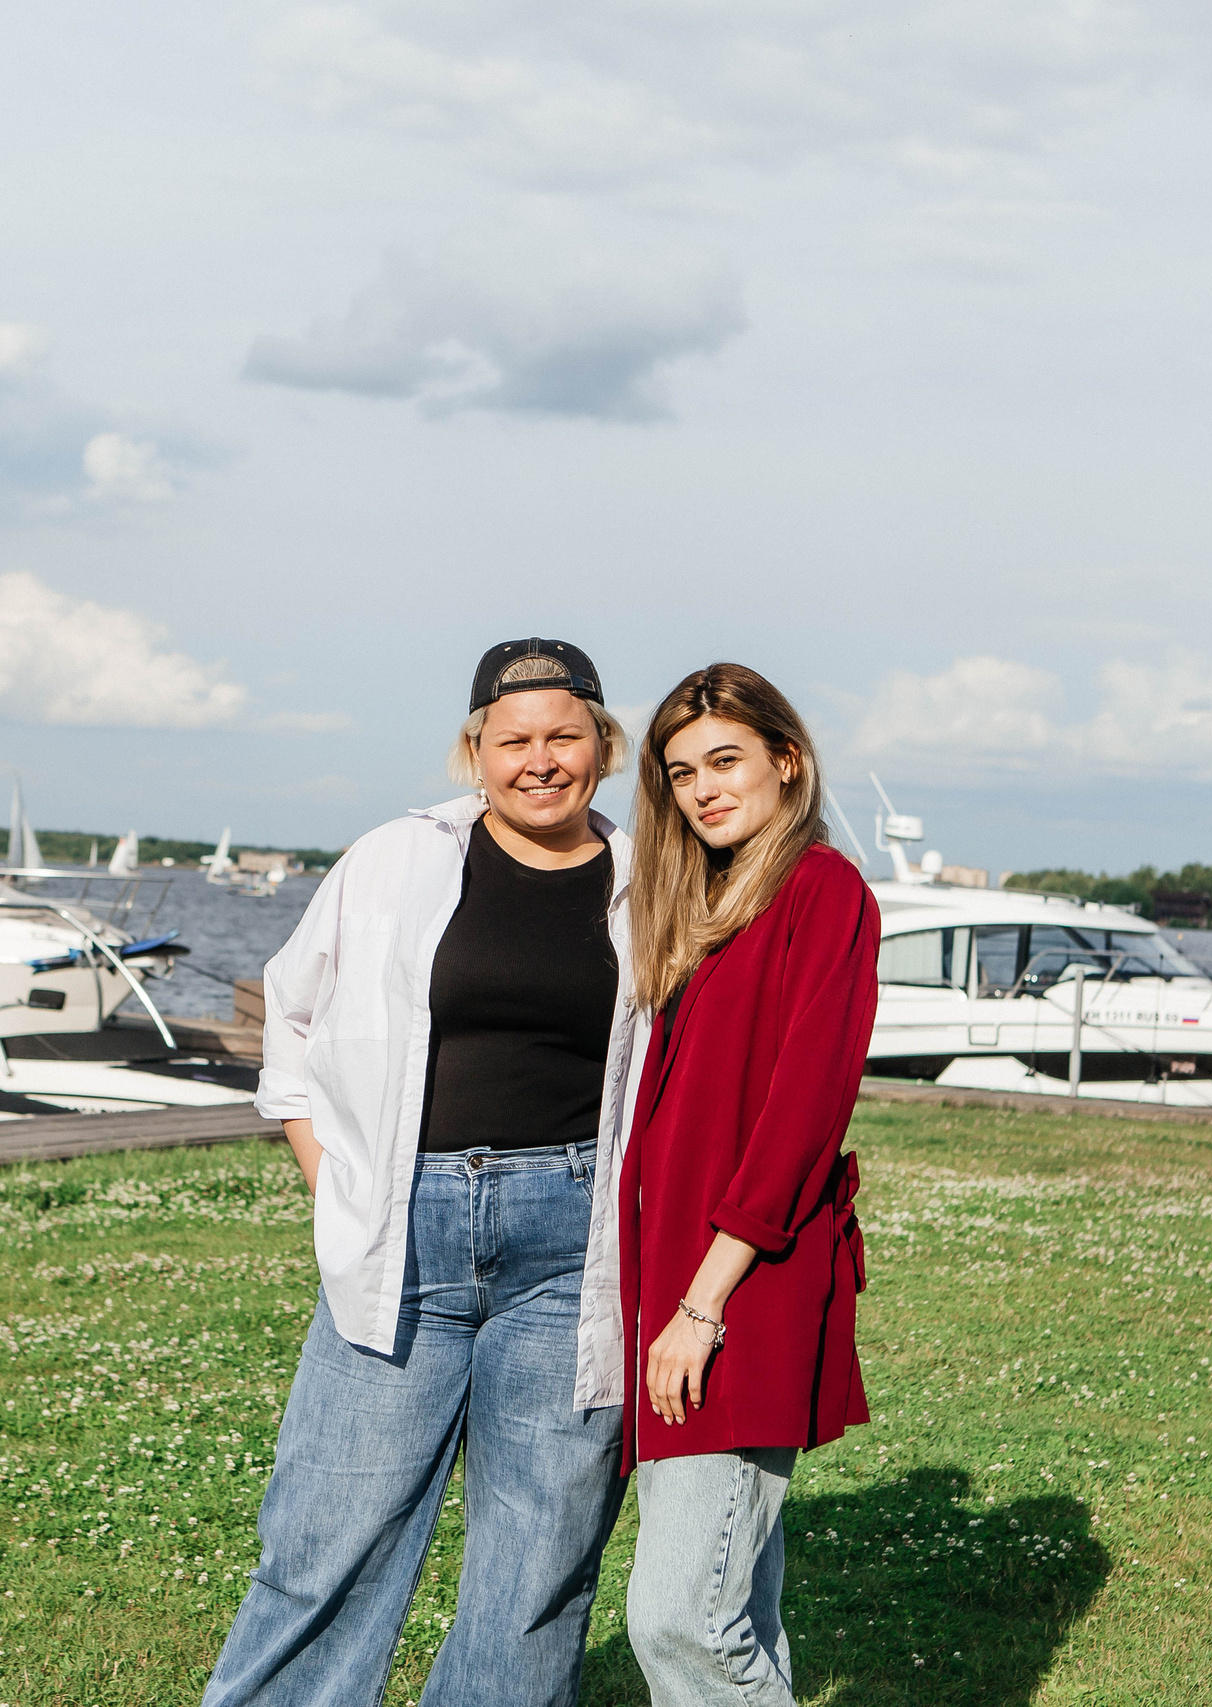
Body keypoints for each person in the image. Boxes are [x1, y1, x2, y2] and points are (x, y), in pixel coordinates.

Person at [204, 638, 644, 1707]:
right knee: (326, 1538)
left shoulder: (650, 879)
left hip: (571, 1241)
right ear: (475, 751)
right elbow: (288, 1019)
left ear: (604, 745)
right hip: (403, 1232)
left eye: (563, 737)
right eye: (514, 740)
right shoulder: (395, 859)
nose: (539, 761)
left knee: (537, 1563)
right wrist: (332, 1178)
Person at [617, 662, 879, 1707]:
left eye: (725, 761)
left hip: (736, 1291)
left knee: (681, 1616)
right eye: (681, 774)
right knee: (738, 1604)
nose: (702, 790)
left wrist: (699, 1305)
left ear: (788, 760)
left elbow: (800, 1116)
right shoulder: (713, 904)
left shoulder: (822, 891)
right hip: (681, 1285)